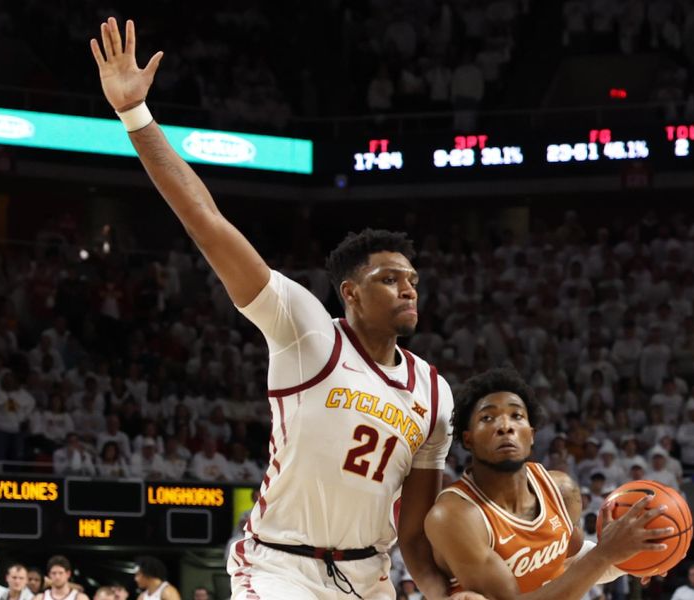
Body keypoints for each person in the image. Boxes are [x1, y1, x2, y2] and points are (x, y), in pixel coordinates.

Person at [90, 18, 463, 600]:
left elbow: (414, 529)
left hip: (371, 576)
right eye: (389, 278)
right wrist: (136, 117)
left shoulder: (435, 392)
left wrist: (444, 592)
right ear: (351, 293)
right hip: (280, 569)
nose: (408, 288)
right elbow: (208, 225)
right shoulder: (306, 328)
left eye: (412, 279)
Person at [424, 368, 675, 599]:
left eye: (516, 416)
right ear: (468, 439)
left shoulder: (560, 489)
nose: (505, 426)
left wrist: (629, 554)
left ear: (531, 435)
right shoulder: (454, 516)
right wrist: (606, 553)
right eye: (488, 418)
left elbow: (566, 568)